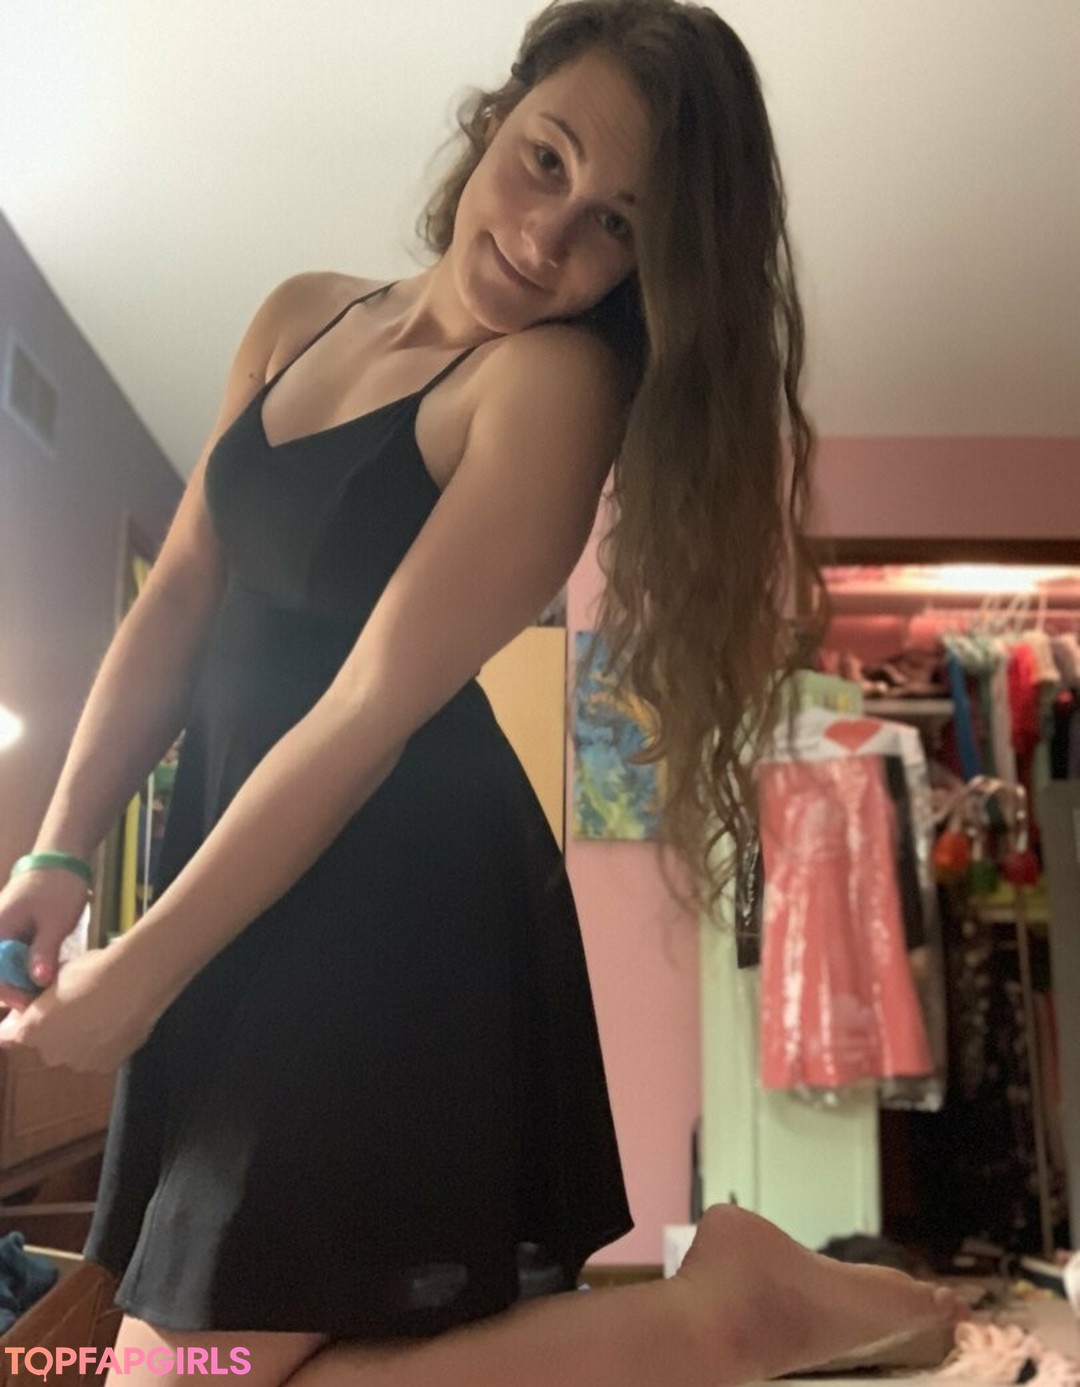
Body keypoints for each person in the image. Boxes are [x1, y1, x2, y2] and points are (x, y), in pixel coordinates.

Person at [0, 1, 965, 1383]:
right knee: (194, 1358)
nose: (549, 236)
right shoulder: (299, 313)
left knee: (178, 1368)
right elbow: (182, 590)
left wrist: (150, 968)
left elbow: (368, 707)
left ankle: (717, 1319)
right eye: (546, 159)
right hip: (244, 874)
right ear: (495, 116)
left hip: (387, 900)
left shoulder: (549, 383)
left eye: (616, 225)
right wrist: (58, 847)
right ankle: (720, 1311)